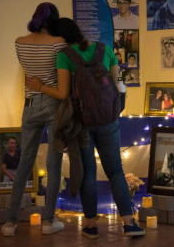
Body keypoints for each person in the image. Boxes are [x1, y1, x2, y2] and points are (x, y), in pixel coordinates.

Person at [26, 18, 145, 238]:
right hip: (109, 121)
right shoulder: (104, 49)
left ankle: (91, 226)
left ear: (61, 38)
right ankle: (129, 224)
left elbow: (63, 94)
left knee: (88, 172)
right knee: (116, 171)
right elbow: (115, 84)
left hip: (82, 124)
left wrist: (39, 86)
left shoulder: (65, 56)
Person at [1, 3, 67, 237]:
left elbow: (28, 73)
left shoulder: (20, 42)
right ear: (55, 21)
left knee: (24, 164)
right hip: (53, 104)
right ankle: (49, 221)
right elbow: (61, 81)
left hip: (29, 106)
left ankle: (10, 223)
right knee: (53, 163)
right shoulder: (60, 43)